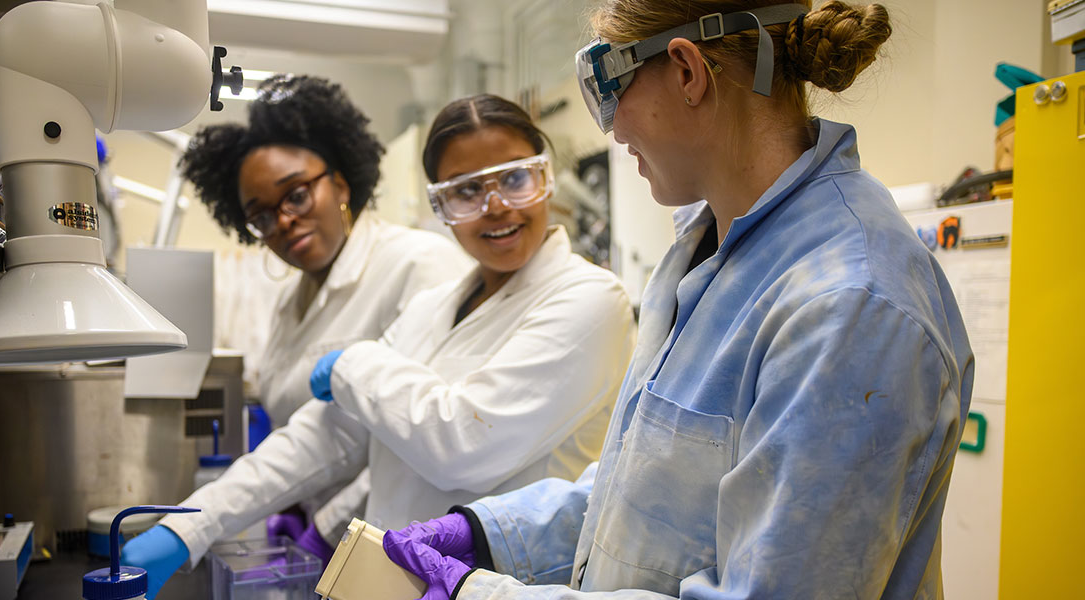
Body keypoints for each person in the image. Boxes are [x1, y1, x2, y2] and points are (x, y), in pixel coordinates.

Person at [383, 2, 974, 599]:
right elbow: (650, 490)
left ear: (688, 70)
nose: (612, 129)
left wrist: (483, 594)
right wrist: (492, 534)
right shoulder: (709, 247)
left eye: (611, 83)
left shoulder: (849, 304)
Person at [122, 94, 637, 599]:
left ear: (544, 178)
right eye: (465, 191)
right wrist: (190, 526)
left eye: (515, 178)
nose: (496, 205)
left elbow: (462, 444)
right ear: (440, 205)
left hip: (499, 587)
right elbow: (328, 435)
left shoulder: (591, 300)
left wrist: (353, 363)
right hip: (391, 578)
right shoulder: (433, 306)